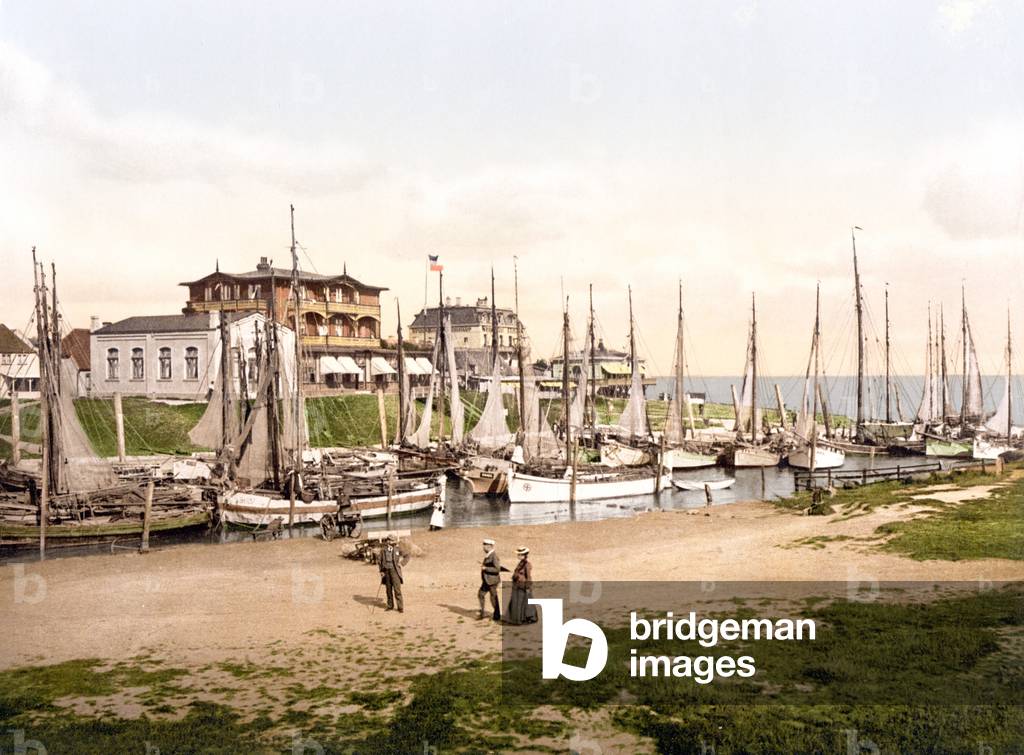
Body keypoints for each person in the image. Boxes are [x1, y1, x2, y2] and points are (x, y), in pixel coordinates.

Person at [506, 546, 537, 625]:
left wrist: (527, 587)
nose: (518, 556)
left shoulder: (526, 564)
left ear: (523, 555)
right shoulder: (521, 563)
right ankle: (520, 619)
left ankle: (519, 620)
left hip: (522, 585)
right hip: (517, 585)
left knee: (520, 603)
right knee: (518, 602)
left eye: (519, 554)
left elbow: (528, 576)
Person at [379, 533, 408, 612]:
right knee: (388, 590)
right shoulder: (383, 550)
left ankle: (400, 607)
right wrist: (381, 571)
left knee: (397, 590)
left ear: (394, 541)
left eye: (391, 540)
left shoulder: (398, 549)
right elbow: (380, 561)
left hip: (395, 571)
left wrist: (401, 563)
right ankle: (390, 605)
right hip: (386, 572)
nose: (389, 542)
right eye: (388, 540)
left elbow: (407, 556)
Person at [478, 538, 501, 621]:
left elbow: (497, 569)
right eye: (484, 546)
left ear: (490, 546)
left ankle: (497, 615)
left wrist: (485, 568)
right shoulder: (488, 555)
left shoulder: (494, 556)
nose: (483, 548)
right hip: (486, 581)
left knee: (493, 597)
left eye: (485, 546)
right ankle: (482, 613)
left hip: (492, 581)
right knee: (481, 595)